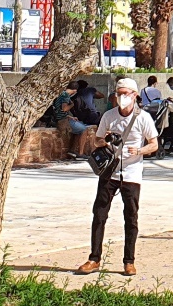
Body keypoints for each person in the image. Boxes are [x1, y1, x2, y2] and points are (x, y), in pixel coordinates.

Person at [75, 77, 159, 278]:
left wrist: (139, 150)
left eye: (125, 93)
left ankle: (129, 261)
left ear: (135, 95)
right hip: (109, 171)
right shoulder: (109, 116)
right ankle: (94, 258)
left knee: (131, 217)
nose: (121, 97)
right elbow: (97, 139)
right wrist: (104, 141)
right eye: (118, 93)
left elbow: (154, 144)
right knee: (99, 214)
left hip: (131, 173)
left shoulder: (143, 118)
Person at [52, 81, 88, 157]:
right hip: (62, 120)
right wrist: (72, 104)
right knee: (84, 130)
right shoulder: (65, 96)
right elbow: (64, 108)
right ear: (75, 90)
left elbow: (59, 110)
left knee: (79, 127)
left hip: (60, 118)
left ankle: (73, 150)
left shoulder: (61, 93)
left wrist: (70, 117)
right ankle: (80, 153)